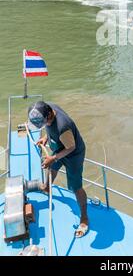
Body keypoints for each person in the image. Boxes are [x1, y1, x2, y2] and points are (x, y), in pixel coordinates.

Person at [27, 101, 88, 238]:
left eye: (42, 123)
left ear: (49, 115)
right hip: (59, 146)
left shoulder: (63, 126)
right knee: (52, 169)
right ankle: (47, 187)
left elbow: (71, 147)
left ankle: (84, 218)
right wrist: (45, 138)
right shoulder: (48, 108)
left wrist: (53, 158)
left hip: (73, 155)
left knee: (76, 187)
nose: (42, 125)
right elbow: (49, 127)